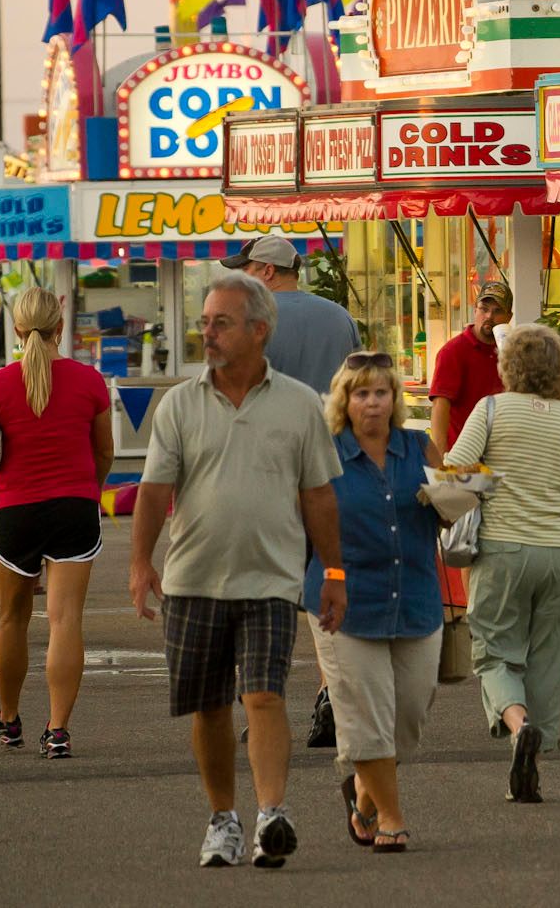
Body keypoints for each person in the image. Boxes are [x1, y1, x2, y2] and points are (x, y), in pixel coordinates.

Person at [129, 272, 346, 870]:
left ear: (259, 330)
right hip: (193, 580)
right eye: (205, 322)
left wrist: (334, 573)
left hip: (271, 579)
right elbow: (153, 491)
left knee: (264, 696)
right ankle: (222, 818)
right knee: (208, 705)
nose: (208, 332)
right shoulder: (179, 403)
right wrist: (141, 562)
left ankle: (272, 813)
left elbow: (320, 498)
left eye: (220, 322)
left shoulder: (300, 405)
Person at [444, 323, 560, 806]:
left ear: (507, 367)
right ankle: (530, 758)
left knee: (494, 652)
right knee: (548, 663)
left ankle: (519, 725)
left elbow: (457, 471)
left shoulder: (489, 410)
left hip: (503, 550)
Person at [0, 288, 113, 758]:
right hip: (75, 507)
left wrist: (7, 469)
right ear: (60, 328)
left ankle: (9, 720)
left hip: (16, 509)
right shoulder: (90, 381)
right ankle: (58, 729)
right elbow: (104, 451)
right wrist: (87, 485)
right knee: (66, 619)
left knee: (12, 619)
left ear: (17, 330)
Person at [306, 353, 443, 854]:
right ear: (345, 399)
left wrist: (462, 499)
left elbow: (448, 498)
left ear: (394, 399)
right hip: (343, 604)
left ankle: (362, 794)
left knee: (408, 715)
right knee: (365, 715)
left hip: (416, 598)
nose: (372, 403)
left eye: (381, 392)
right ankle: (390, 816)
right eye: (361, 393)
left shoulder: (416, 446)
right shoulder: (324, 451)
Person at [225, 235, 360, 394]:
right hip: (331, 417)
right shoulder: (341, 316)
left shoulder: (247, 321)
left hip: (273, 418)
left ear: (268, 271)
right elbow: (360, 379)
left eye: (245, 270)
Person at [429, 280, 512, 465]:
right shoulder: (453, 351)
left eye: (498, 311)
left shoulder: (513, 353)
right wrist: (441, 461)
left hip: (504, 457)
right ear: (475, 310)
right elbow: (440, 407)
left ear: (509, 317)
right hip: (463, 459)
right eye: (484, 308)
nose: (489, 316)